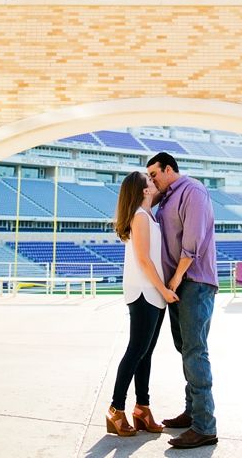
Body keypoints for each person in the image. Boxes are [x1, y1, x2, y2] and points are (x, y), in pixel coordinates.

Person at [146, 152, 219, 449]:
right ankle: (192, 413)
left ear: (169, 169)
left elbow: (193, 241)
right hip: (179, 285)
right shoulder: (166, 198)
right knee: (185, 349)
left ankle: (205, 426)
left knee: (195, 351)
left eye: (154, 174)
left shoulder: (193, 191)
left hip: (193, 282)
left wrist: (175, 279)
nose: (151, 179)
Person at [106, 171, 179, 437]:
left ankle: (142, 409)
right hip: (145, 293)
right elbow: (144, 260)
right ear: (145, 191)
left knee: (145, 353)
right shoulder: (139, 216)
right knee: (135, 351)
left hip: (154, 294)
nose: (154, 181)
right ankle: (116, 410)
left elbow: (165, 189)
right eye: (150, 180)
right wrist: (165, 290)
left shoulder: (147, 213)